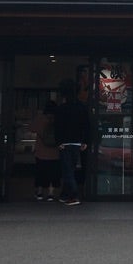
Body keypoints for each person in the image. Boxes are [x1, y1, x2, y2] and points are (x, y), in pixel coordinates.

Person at [53, 79, 89, 207]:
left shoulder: (61, 109)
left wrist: (59, 141)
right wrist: (85, 141)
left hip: (65, 144)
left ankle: (74, 196)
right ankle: (64, 195)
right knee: (70, 170)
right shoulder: (82, 107)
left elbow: (57, 127)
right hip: (77, 144)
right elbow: (87, 125)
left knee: (67, 171)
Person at [28, 100, 59, 201]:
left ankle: (40, 192)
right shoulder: (58, 118)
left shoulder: (40, 118)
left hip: (41, 152)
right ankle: (51, 193)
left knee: (40, 172)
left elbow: (31, 128)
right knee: (53, 173)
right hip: (55, 152)